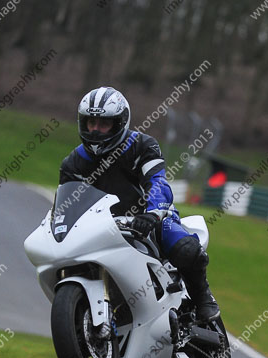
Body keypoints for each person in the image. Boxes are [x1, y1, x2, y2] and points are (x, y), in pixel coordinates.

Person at [58, 86, 220, 322]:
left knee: (185, 248)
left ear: (120, 123)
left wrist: (153, 213)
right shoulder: (73, 162)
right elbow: (65, 203)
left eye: (103, 123)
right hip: (100, 227)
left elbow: (157, 182)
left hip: (149, 218)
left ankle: (204, 298)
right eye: (90, 122)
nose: (95, 129)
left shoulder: (142, 145)